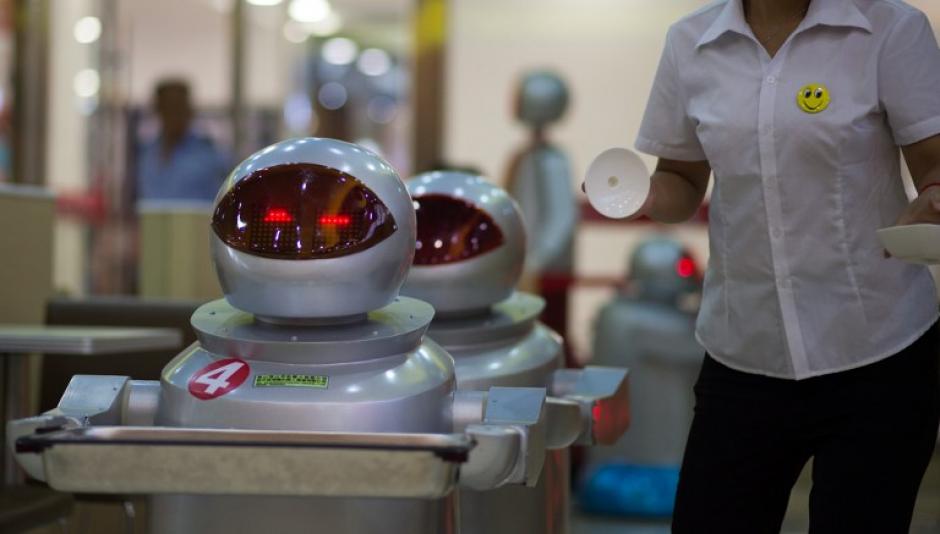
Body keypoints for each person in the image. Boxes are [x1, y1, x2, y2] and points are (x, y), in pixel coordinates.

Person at [625, 0, 940, 532]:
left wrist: (932, 196)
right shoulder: (691, 41)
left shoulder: (890, 28)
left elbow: (933, 162)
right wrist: (645, 194)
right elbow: (681, 180)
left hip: (878, 354)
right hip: (744, 354)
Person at [504, 70, 579, 365]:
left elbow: (562, 218)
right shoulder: (528, 156)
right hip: (531, 268)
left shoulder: (551, 160)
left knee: (544, 341)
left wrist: (535, 262)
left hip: (544, 275)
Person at [136, 79, 229, 202]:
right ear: (158, 110)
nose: (175, 115)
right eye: (169, 107)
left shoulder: (210, 154)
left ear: (189, 110)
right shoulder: (147, 154)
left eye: (179, 107)